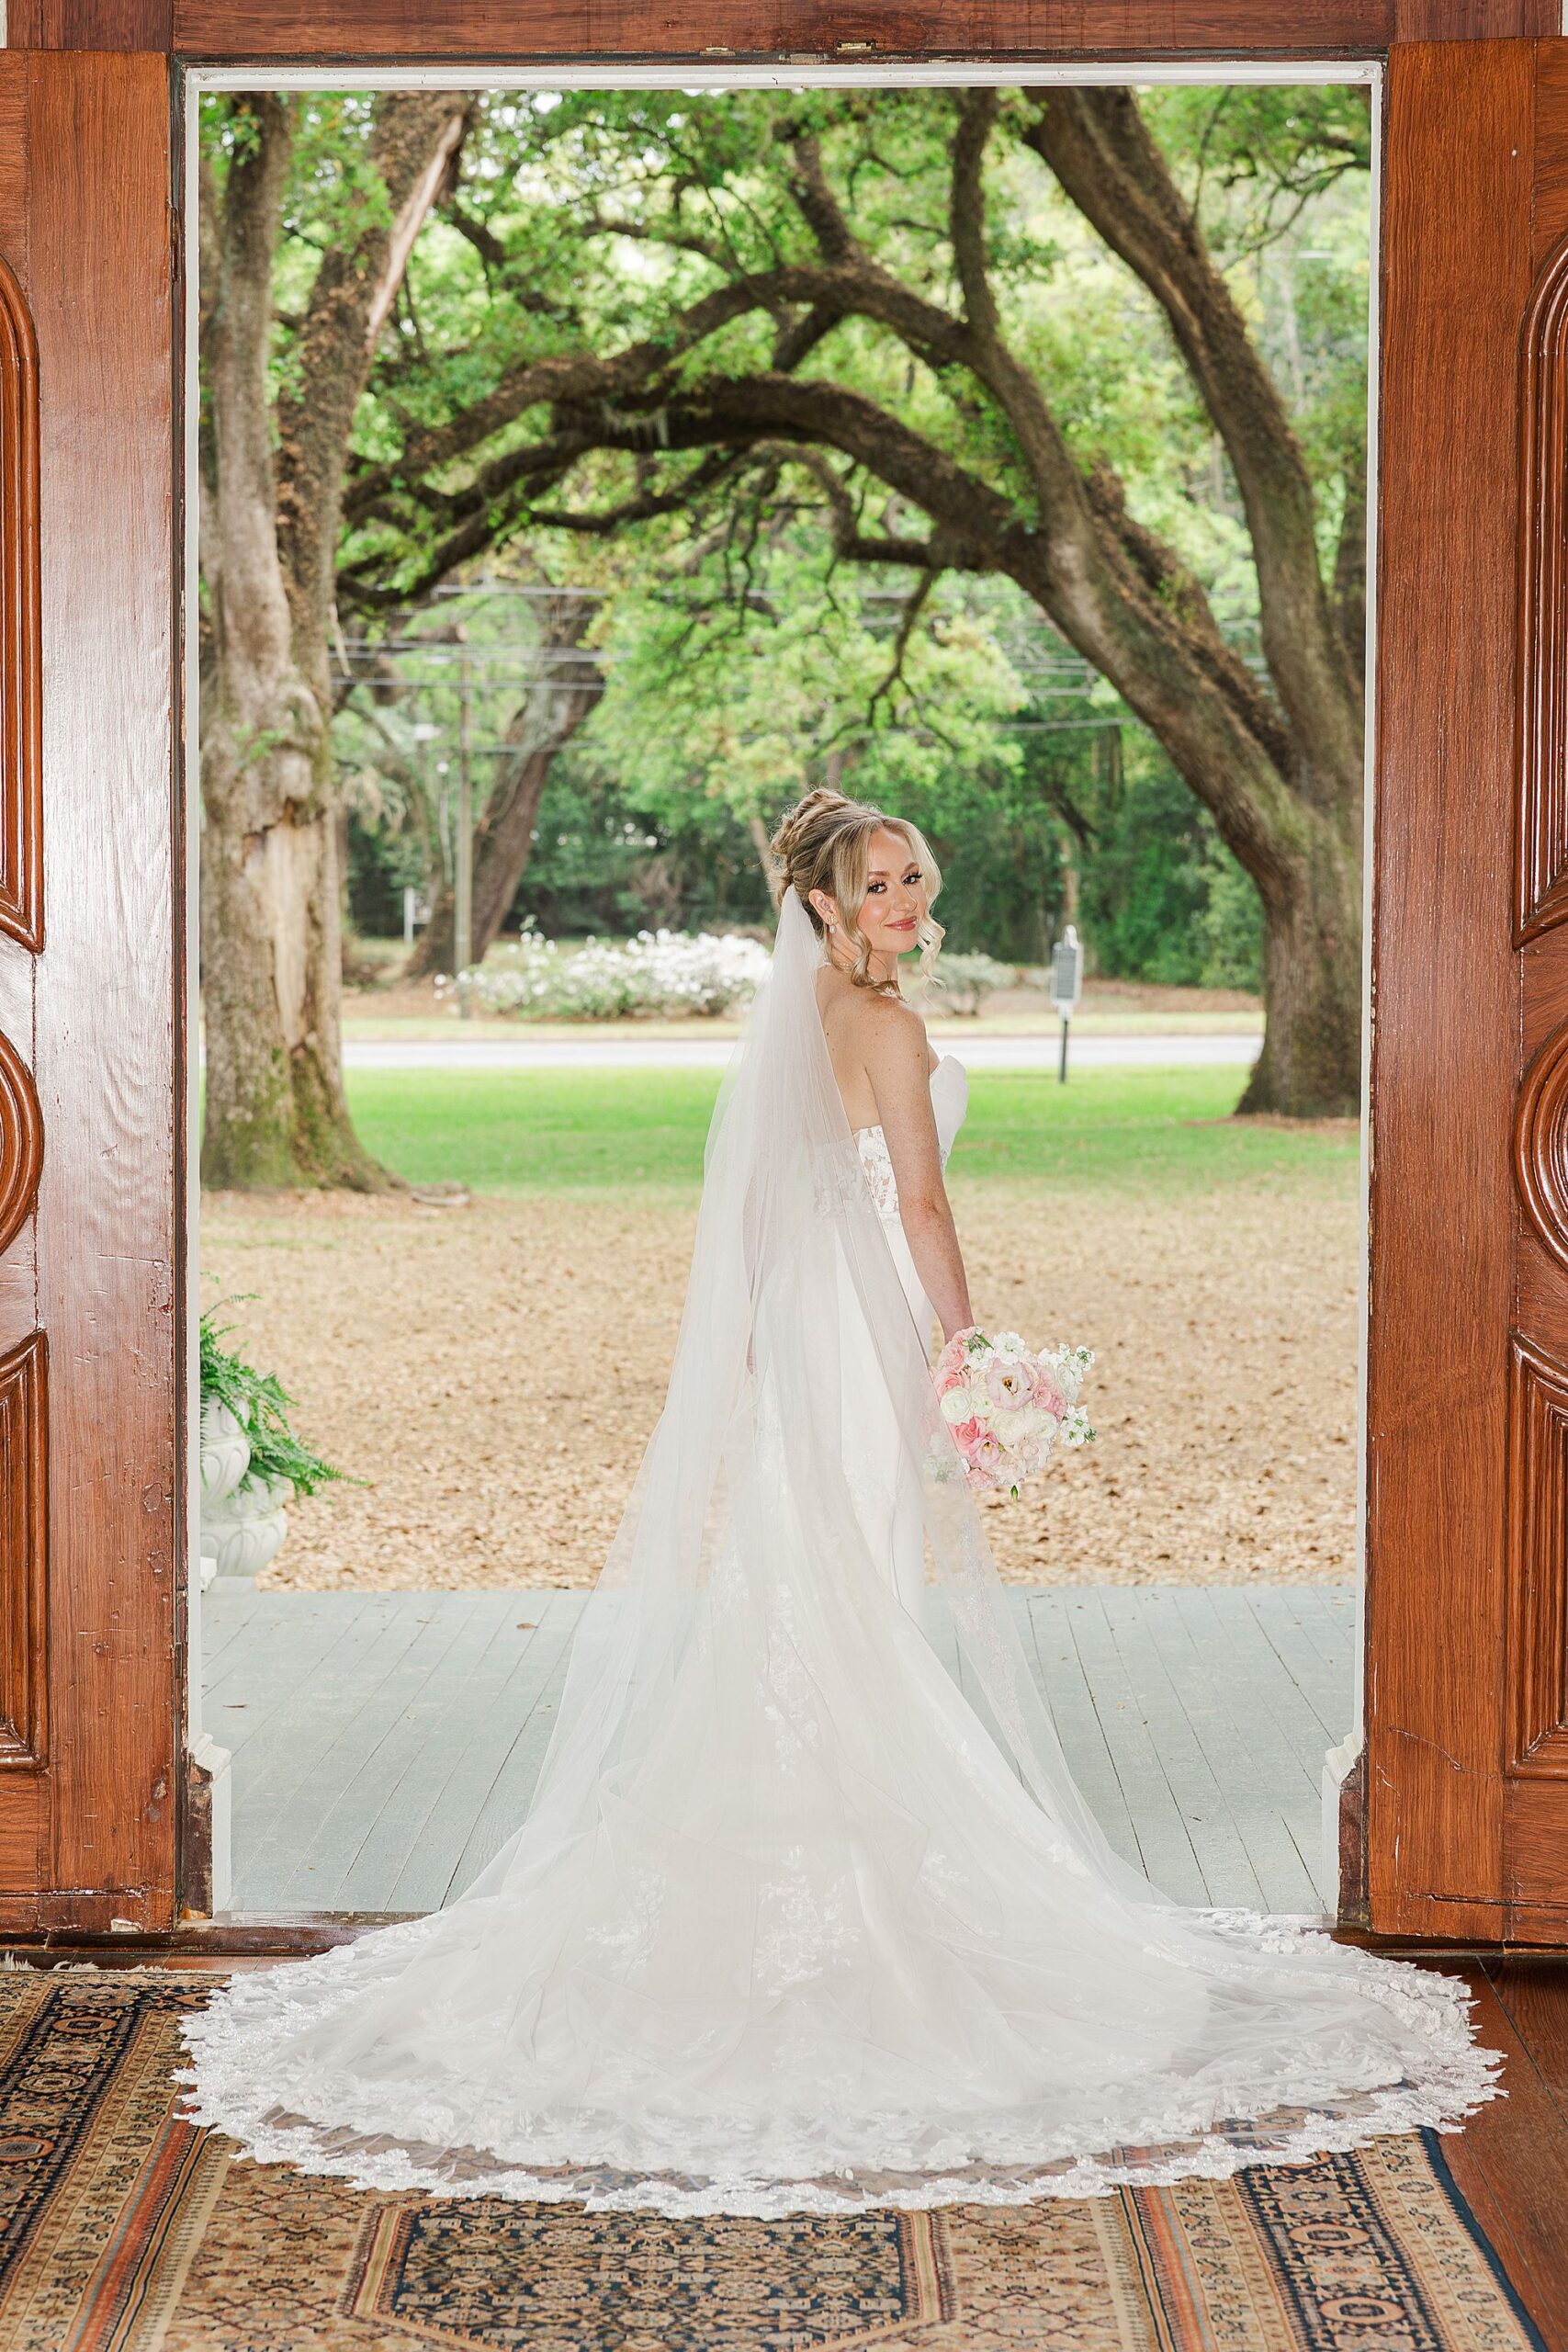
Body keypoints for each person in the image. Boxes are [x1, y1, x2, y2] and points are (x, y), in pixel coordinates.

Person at [180, 787, 1497, 2219]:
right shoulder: (887, 1030)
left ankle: (785, 1881)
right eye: (881, 886)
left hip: (801, 1326)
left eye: (916, 879)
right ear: (819, 899)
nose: (909, 906)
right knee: (855, 1601)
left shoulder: (797, 1018)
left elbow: (758, 1200)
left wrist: (755, 1341)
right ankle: (855, 1913)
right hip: (863, 1335)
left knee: (799, 1592)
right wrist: (969, 1354)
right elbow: (922, 1212)